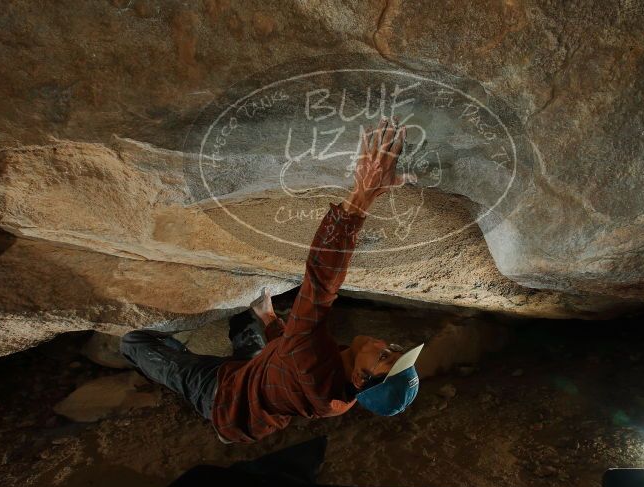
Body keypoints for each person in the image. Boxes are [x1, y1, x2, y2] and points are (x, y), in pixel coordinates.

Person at [120, 117, 421, 443]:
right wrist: (268, 318)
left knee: (135, 343)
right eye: (393, 348)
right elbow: (292, 349)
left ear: (361, 379)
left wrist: (362, 196)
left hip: (222, 398)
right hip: (260, 375)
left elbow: (321, 285)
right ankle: (247, 335)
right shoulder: (343, 394)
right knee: (245, 324)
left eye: (383, 355)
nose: (382, 343)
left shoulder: (315, 367)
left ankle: (156, 357)